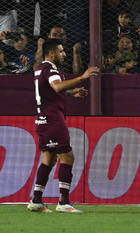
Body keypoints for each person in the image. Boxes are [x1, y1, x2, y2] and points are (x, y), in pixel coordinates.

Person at [27, 39, 99, 213]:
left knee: (49, 160)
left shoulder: (39, 68)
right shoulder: (50, 69)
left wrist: (71, 93)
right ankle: (64, 202)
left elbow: (50, 89)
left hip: (41, 121)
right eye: (61, 51)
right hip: (53, 120)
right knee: (68, 158)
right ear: (52, 53)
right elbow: (57, 86)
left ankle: (36, 199)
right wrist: (82, 77)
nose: (64, 54)